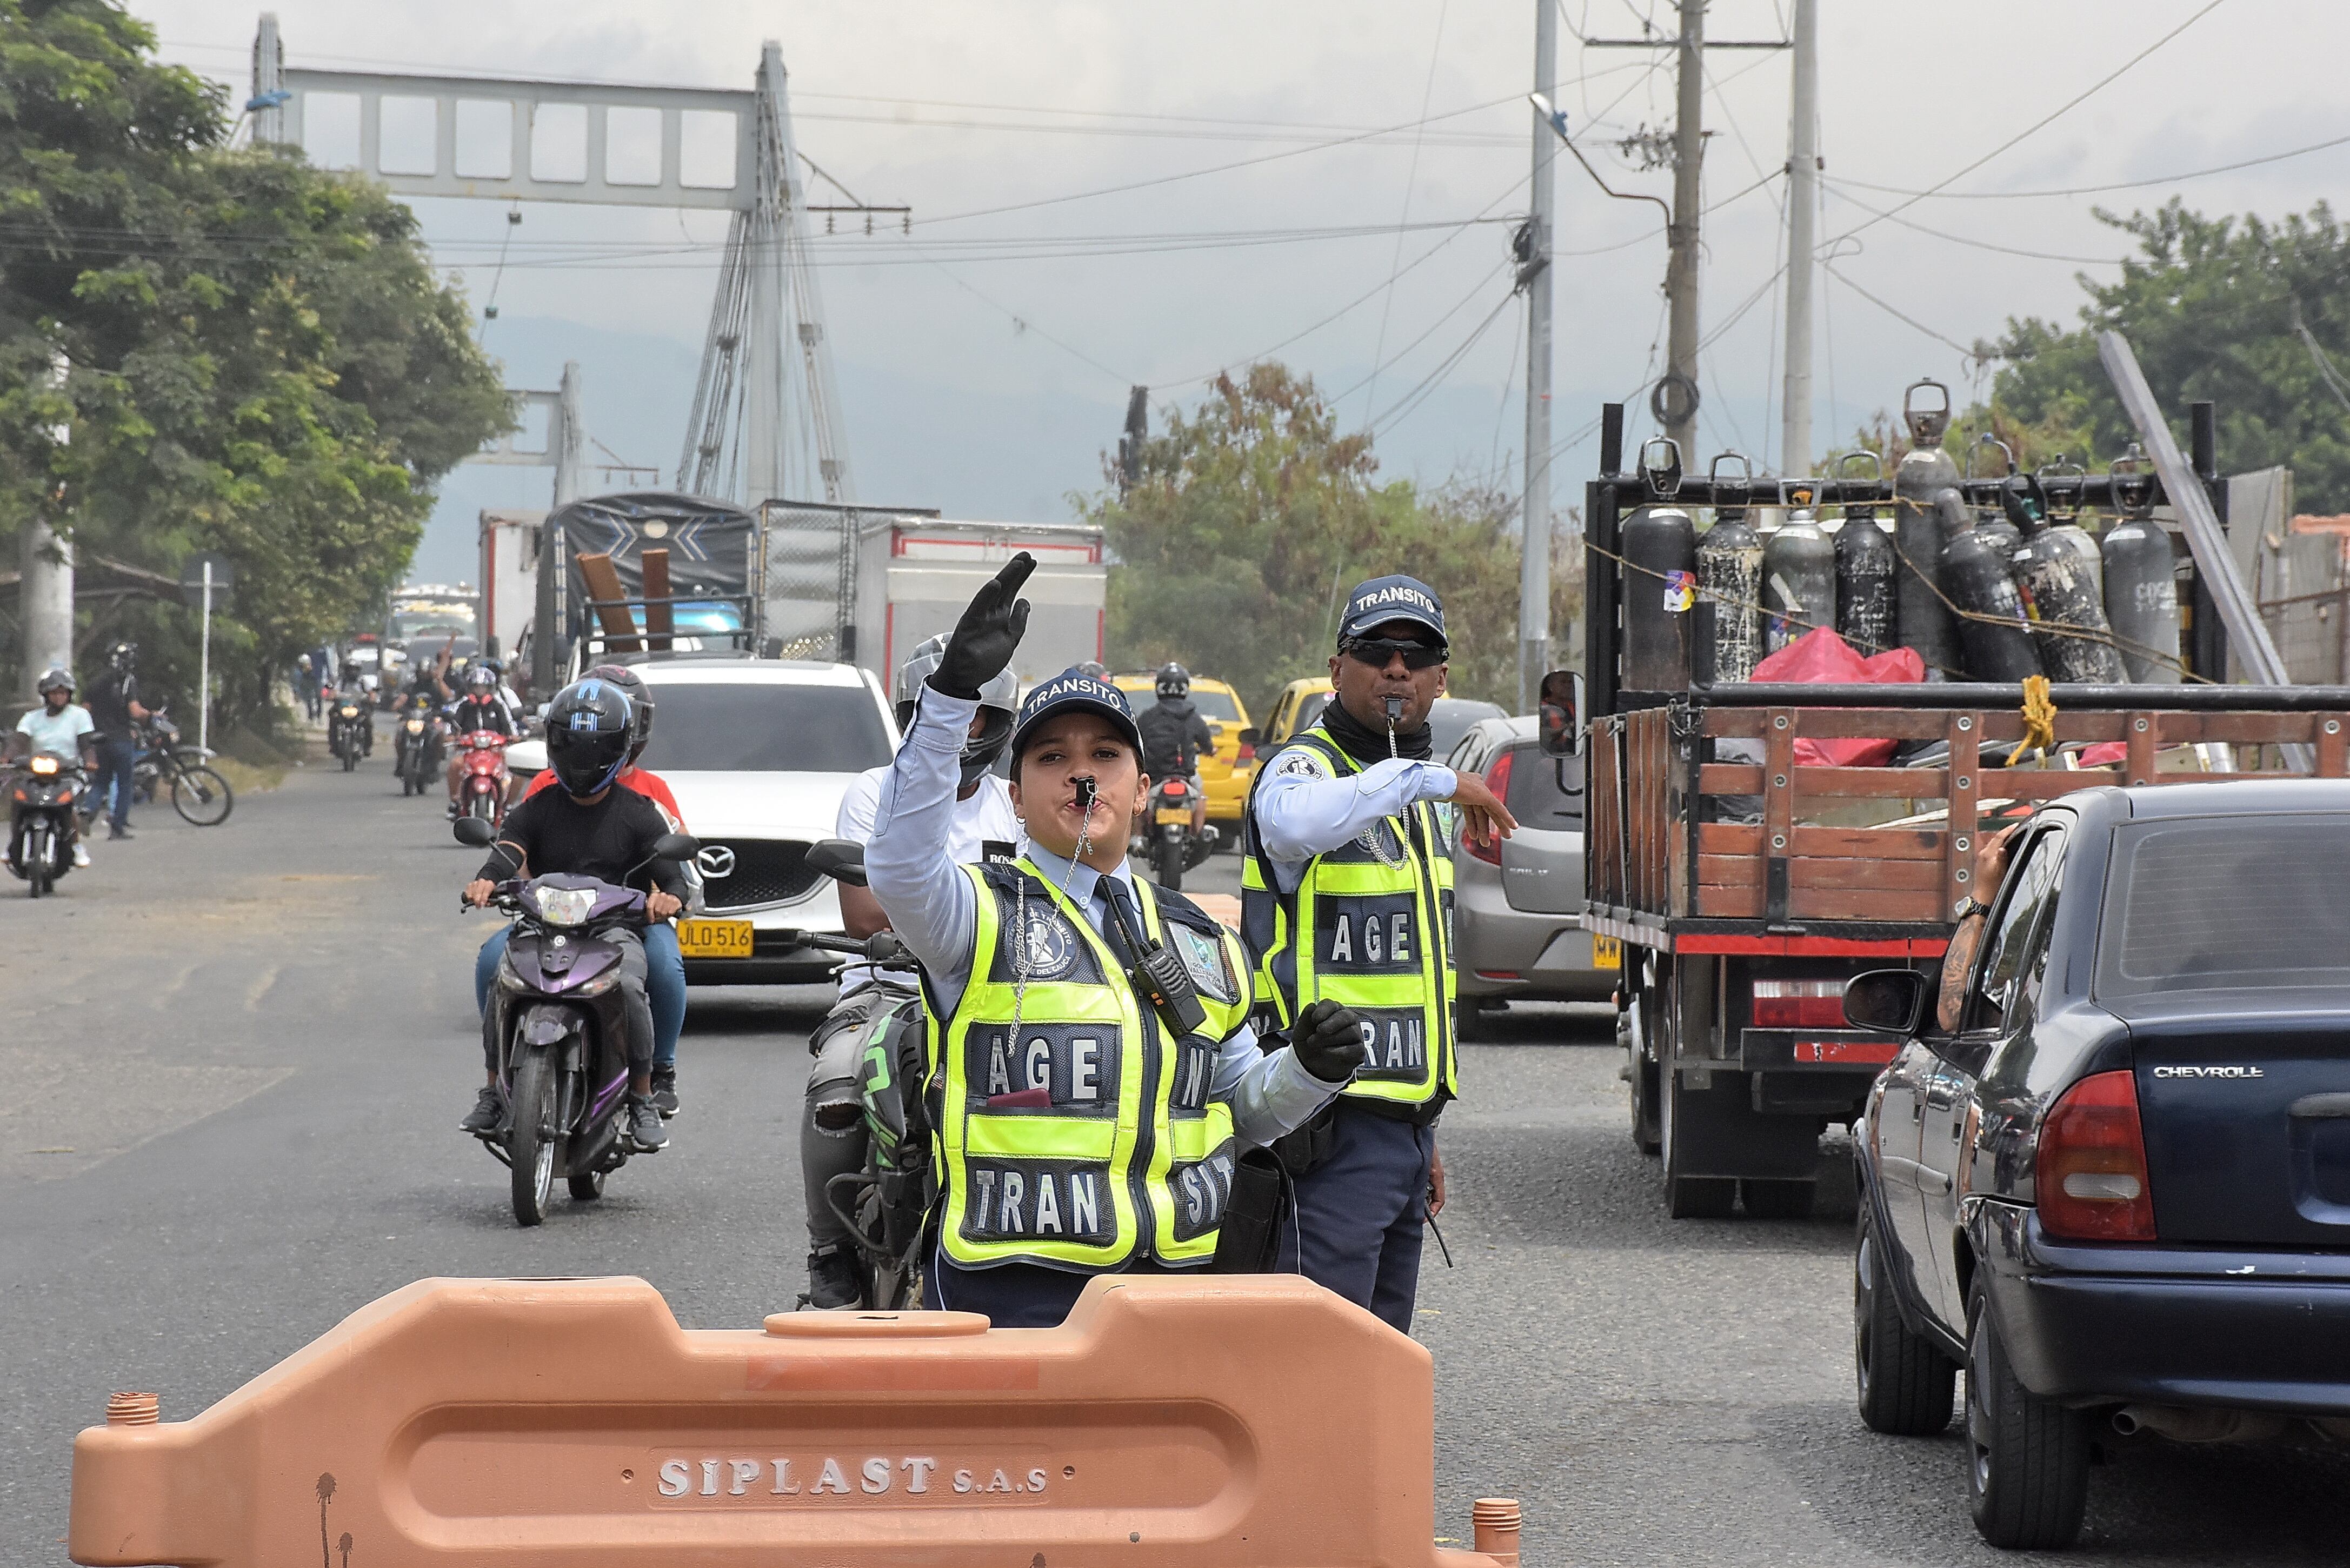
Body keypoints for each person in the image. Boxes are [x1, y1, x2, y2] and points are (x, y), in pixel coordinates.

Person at [866, 554, 1364, 1328]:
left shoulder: (1202, 936)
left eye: (1103, 756)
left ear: (1139, 786)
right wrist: (947, 702)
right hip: (1016, 1290)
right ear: (1015, 795)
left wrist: (1307, 1070)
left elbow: (1243, 1107)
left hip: (1179, 1292)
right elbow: (897, 864)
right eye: (1051, 757)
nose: (1080, 775)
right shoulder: (972, 911)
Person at [1238, 575, 1517, 1333]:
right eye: (1375, 651)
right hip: (1323, 1129)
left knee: (1381, 1364)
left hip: (1398, 1135)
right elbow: (1294, 823)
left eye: (1415, 653)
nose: (1395, 669)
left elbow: (1417, 983)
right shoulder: (1304, 769)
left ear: (1439, 679)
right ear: (1337, 670)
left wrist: (1420, 1134)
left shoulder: (1420, 804)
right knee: (1316, 1361)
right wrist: (1430, 777)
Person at [802, 633, 1021, 1310]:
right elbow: (868, 917)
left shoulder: (1017, 802)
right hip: (888, 988)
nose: (959, 727)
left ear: (1000, 721)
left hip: (1000, 990)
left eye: (973, 713)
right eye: (942, 710)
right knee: (835, 1085)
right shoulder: (875, 792)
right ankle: (829, 1253)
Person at [461, 677, 681, 1154]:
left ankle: (643, 1095)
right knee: (495, 970)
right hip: (542, 926)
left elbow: (673, 873)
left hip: (616, 930)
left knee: (627, 985)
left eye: (594, 750)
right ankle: (494, 1090)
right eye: (571, 747)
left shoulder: (643, 812)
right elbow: (507, 851)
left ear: (620, 748)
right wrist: (484, 878)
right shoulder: (537, 805)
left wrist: (669, 898)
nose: (582, 762)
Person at [508, 663, 692, 1117]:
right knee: (494, 962)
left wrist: (660, 900)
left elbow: (672, 868)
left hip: (629, 918)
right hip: (551, 917)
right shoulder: (546, 789)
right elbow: (518, 853)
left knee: (664, 968)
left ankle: (658, 1070)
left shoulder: (649, 797)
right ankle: (502, 1075)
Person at [9, 668, 99, 869]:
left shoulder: (80, 715)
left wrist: (90, 761)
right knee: (18, 798)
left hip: (69, 773)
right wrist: (7, 757)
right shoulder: (32, 718)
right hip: (36, 772)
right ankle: (14, 844)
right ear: (46, 695)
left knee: (70, 805)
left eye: (63, 693)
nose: (59, 697)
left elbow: (86, 745)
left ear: (69, 695)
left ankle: (76, 846)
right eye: (54, 693)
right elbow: (18, 741)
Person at [1136, 660, 1215, 835]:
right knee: (1200, 795)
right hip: (1186, 774)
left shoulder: (1148, 717)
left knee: (1138, 793)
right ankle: (1198, 833)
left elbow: (1135, 741)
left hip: (1154, 776)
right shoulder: (1193, 717)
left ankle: (1138, 836)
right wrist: (1211, 751)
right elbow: (1207, 744)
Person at [83, 641, 150, 842]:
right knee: (124, 784)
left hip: (99, 739)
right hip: (121, 738)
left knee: (101, 781)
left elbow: (85, 710)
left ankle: (87, 811)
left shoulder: (95, 682)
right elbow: (135, 711)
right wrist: (151, 715)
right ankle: (117, 827)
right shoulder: (128, 681)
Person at [443, 663, 519, 819]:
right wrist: (452, 737)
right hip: (469, 751)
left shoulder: (499, 705)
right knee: (455, 765)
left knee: (517, 770)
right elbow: (452, 728)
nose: (479, 691)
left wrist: (514, 737)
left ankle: (508, 804)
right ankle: (455, 802)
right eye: (476, 687)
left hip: (496, 750)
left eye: (483, 688)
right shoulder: (463, 706)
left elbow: (511, 728)